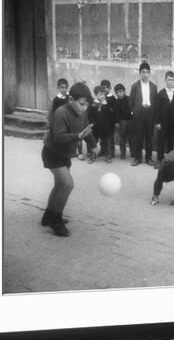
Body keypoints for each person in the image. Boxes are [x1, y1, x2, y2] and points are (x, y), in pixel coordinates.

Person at [41, 82, 96, 237]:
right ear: (71, 99)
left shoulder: (83, 113)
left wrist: (92, 144)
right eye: (81, 104)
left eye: (86, 105)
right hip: (52, 153)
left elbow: (86, 129)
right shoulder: (60, 113)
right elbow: (58, 138)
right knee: (67, 184)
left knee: (59, 186)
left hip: (64, 154)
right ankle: (56, 222)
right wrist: (77, 137)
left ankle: (48, 216)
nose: (84, 108)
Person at [129, 62, 158, 166]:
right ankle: (137, 158)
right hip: (139, 114)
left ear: (150, 73)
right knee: (138, 137)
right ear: (140, 73)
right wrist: (134, 112)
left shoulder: (154, 87)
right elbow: (131, 101)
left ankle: (149, 158)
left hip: (150, 113)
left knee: (149, 137)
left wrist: (155, 116)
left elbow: (155, 102)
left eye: (147, 72)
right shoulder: (135, 86)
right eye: (143, 72)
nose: (145, 74)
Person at [154, 71, 174, 168]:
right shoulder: (161, 93)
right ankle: (159, 160)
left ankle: (169, 160)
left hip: (172, 123)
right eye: (169, 80)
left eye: (172, 80)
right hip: (162, 122)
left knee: (170, 142)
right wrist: (157, 122)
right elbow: (157, 109)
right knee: (161, 141)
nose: (170, 82)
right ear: (165, 80)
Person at [87, 85, 115, 164]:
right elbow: (89, 115)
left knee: (107, 142)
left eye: (103, 94)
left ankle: (108, 156)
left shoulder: (106, 104)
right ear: (96, 95)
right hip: (95, 128)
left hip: (105, 127)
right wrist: (92, 123)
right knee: (93, 142)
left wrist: (106, 105)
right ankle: (92, 156)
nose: (102, 96)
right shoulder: (92, 105)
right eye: (100, 94)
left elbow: (110, 114)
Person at [113, 83, 133, 160]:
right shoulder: (116, 102)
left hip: (131, 121)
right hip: (122, 122)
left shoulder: (129, 99)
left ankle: (133, 153)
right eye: (117, 93)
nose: (119, 94)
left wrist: (133, 120)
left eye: (120, 92)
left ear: (124, 91)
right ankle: (123, 154)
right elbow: (116, 113)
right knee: (122, 138)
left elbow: (133, 109)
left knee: (132, 138)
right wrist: (117, 122)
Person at [101, 79, 117, 158]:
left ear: (110, 88)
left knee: (110, 138)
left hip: (110, 122)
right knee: (102, 137)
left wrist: (115, 121)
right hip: (102, 122)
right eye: (103, 88)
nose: (105, 89)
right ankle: (103, 151)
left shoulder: (112, 98)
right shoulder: (100, 97)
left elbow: (114, 111)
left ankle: (111, 153)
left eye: (106, 88)